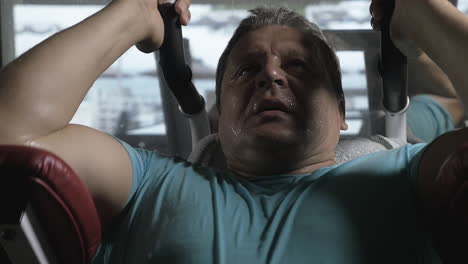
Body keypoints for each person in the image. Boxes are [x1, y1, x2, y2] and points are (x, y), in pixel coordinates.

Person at [0, 0, 467, 262]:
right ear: (219, 116)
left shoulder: (400, 175)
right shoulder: (151, 183)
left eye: (299, 66)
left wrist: (420, 13)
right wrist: (135, 11)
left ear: (342, 111)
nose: (272, 75)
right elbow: (12, 132)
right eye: (246, 71)